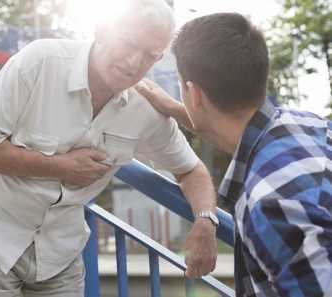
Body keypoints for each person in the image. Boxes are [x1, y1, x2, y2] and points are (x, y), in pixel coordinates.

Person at [0, 1, 218, 296]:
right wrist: (60, 166)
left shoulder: (146, 106)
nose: (134, 63)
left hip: (60, 255)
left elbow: (191, 170)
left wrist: (205, 221)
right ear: (101, 29)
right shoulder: (41, 62)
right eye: (129, 44)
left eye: (149, 56)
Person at [136, 12, 332, 297]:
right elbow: (231, 127)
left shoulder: (270, 202)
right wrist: (175, 109)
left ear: (194, 93)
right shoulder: (309, 124)